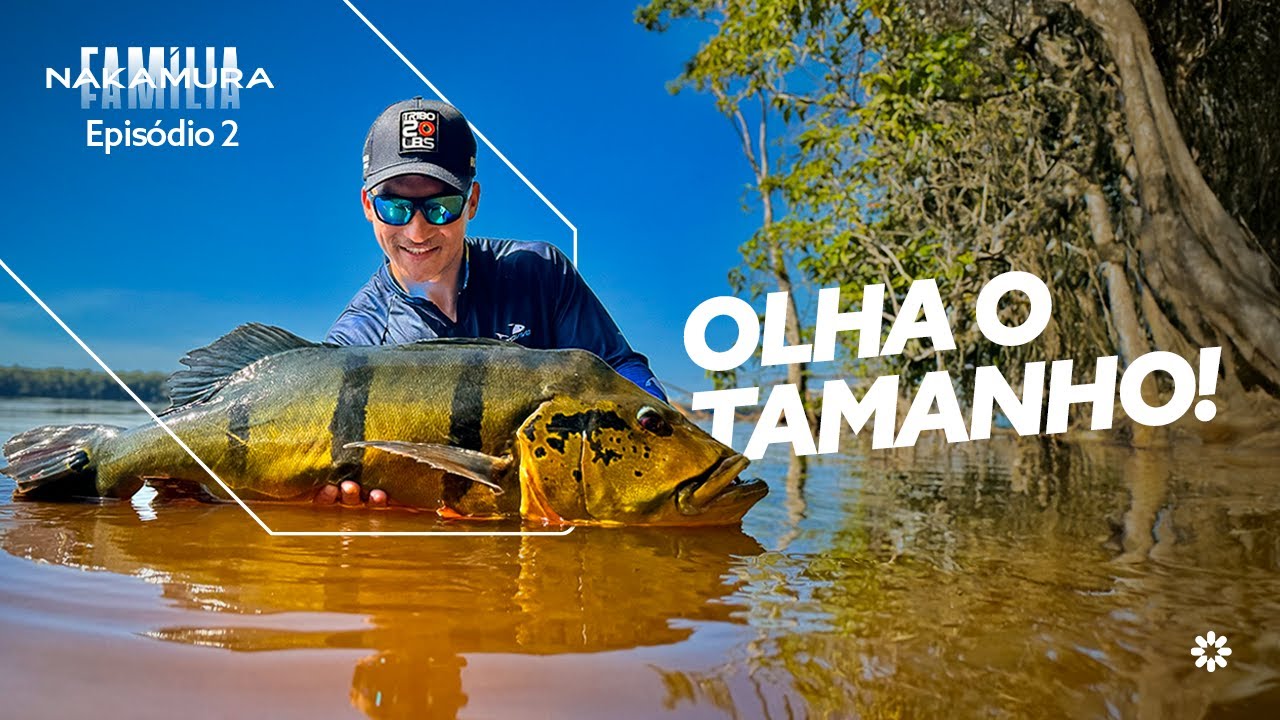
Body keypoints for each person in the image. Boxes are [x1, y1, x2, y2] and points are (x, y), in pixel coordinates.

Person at [316, 97, 666, 508]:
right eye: (394, 207)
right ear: (367, 206)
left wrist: (658, 432)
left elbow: (618, 371)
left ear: (472, 201)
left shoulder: (541, 273)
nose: (416, 231)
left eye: (441, 208)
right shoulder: (354, 344)